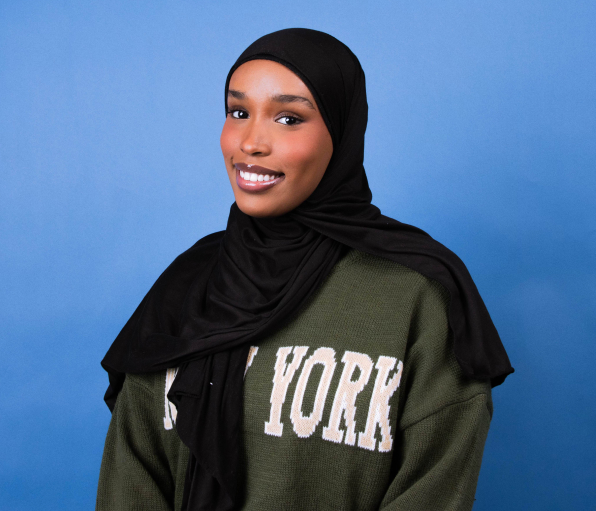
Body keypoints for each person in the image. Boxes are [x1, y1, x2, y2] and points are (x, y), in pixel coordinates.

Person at [96, 28, 513, 511]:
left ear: (341, 132)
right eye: (238, 112)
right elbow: (131, 476)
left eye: (289, 118)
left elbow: (434, 487)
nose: (250, 143)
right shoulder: (188, 285)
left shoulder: (419, 292)